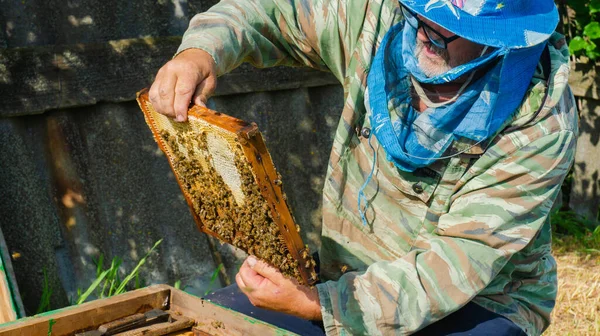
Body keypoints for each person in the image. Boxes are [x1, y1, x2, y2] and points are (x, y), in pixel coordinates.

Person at [149, 0, 577, 335]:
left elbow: (453, 264)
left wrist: (320, 306)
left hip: (480, 302)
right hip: (350, 270)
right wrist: (201, 52)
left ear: (500, 39)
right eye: (421, 13)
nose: (426, 34)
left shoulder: (540, 122)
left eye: (451, 30)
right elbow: (273, 10)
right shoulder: (380, 19)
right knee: (219, 321)